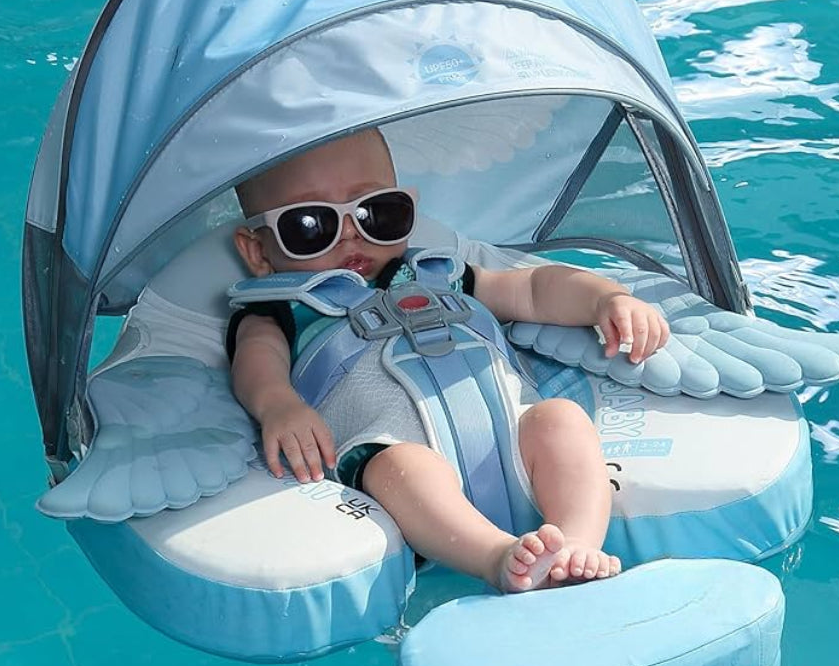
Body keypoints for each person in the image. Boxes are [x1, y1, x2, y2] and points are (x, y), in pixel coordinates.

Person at [227, 127, 670, 592]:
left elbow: (533, 289)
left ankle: (576, 545)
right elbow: (257, 361)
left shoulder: (439, 276)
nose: (351, 235)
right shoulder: (282, 308)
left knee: (561, 420)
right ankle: (495, 556)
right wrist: (278, 405)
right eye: (310, 226)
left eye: (378, 213)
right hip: (399, 457)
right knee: (402, 468)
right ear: (257, 250)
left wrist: (606, 299)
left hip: (513, 440)